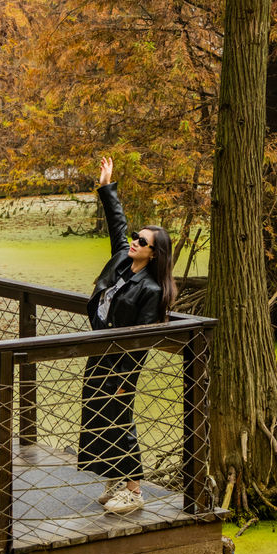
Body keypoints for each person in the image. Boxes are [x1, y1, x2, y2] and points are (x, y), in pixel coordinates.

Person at [78, 156, 177, 515]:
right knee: (96, 414)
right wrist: (107, 186)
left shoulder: (150, 289)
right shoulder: (123, 260)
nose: (135, 241)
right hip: (98, 352)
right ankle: (115, 476)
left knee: (118, 418)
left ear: (154, 254)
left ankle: (134, 491)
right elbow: (116, 226)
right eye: (137, 237)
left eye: (143, 241)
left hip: (120, 364)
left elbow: (141, 339)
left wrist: (124, 379)